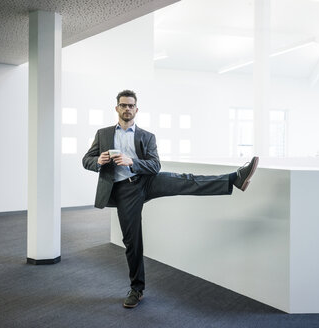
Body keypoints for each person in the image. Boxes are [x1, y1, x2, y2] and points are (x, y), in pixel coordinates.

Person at [82, 90, 259, 308]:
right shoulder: (103, 134)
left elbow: (155, 165)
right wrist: (98, 161)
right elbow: (86, 160)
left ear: (136, 110)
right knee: (132, 241)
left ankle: (234, 179)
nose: (127, 109)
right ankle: (137, 289)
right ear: (116, 108)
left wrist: (131, 162)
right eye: (123, 105)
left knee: (184, 180)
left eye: (131, 106)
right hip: (123, 191)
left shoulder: (147, 136)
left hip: (146, 181)